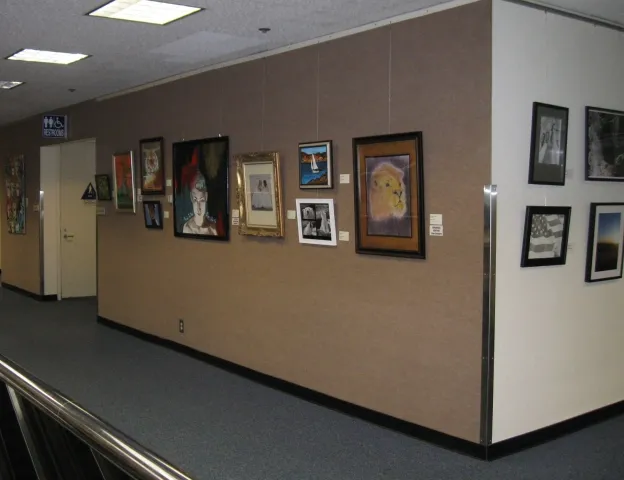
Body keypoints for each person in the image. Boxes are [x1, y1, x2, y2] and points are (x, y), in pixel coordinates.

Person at [182, 170, 217, 235]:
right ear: (191, 198)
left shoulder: (213, 229)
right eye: (195, 200)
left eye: (202, 200)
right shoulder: (187, 228)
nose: (198, 207)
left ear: (206, 197)